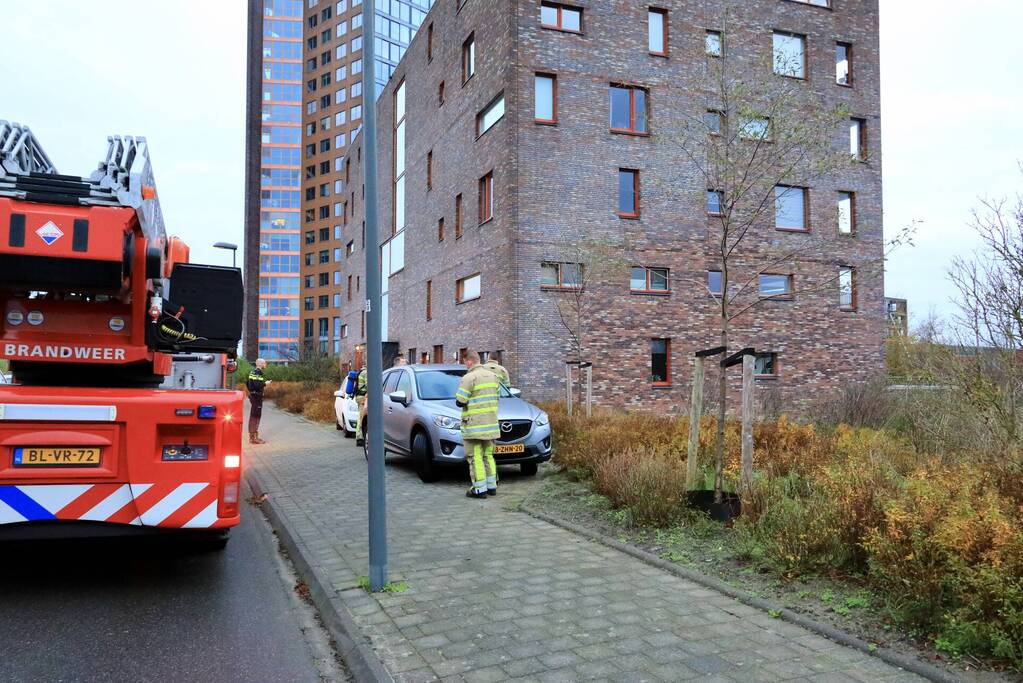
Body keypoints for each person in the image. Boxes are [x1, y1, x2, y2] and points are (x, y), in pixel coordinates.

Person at [455, 350, 500, 498]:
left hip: (474, 426)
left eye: (464, 362)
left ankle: (479, 489)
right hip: (491, 424)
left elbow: (460, 401)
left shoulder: (469, 377)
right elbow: (497, 397)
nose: (465, 365)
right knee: (488, 455)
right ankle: (492, 486)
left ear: (469, 361)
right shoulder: (493, 376)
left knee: (475, 457)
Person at [246, 358, 270, 444]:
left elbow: (247, 383)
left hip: (254, 396)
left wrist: (252, 392)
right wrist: (265, 384)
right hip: (257, 397)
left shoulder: (252, 372)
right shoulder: (258, 372)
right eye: (264, 363)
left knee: (254, 415)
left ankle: (252, 437)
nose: (265, 364)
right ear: (260, 364)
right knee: (256, 416)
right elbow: (257, 384)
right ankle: (253, 438)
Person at [354, 364, 368, 446]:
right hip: (363, 397)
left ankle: (359, 436)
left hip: (359, 397)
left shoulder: (360, 372)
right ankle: (359, 437)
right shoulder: (365, 373)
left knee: (360, 416)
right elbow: (368, 385)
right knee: (361, 417)